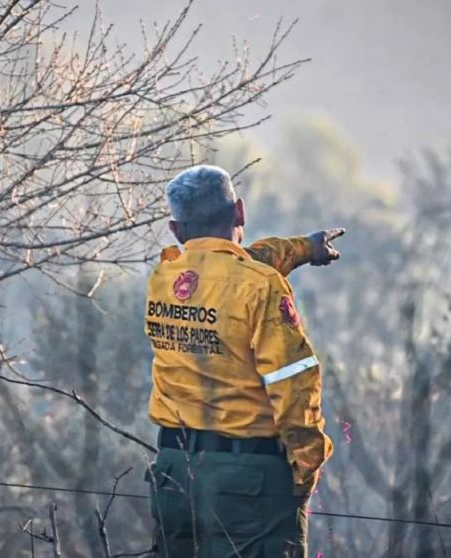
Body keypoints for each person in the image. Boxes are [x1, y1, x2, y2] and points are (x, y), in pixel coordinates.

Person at [144, 164, 337, 557]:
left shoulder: (164, 278)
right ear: (240, 213)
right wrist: (307, 463)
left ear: (176, 231)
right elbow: (294, 381)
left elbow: (232, 266)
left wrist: (302, 248)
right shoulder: (260, 286)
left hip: (173, 471)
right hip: (248, 480)